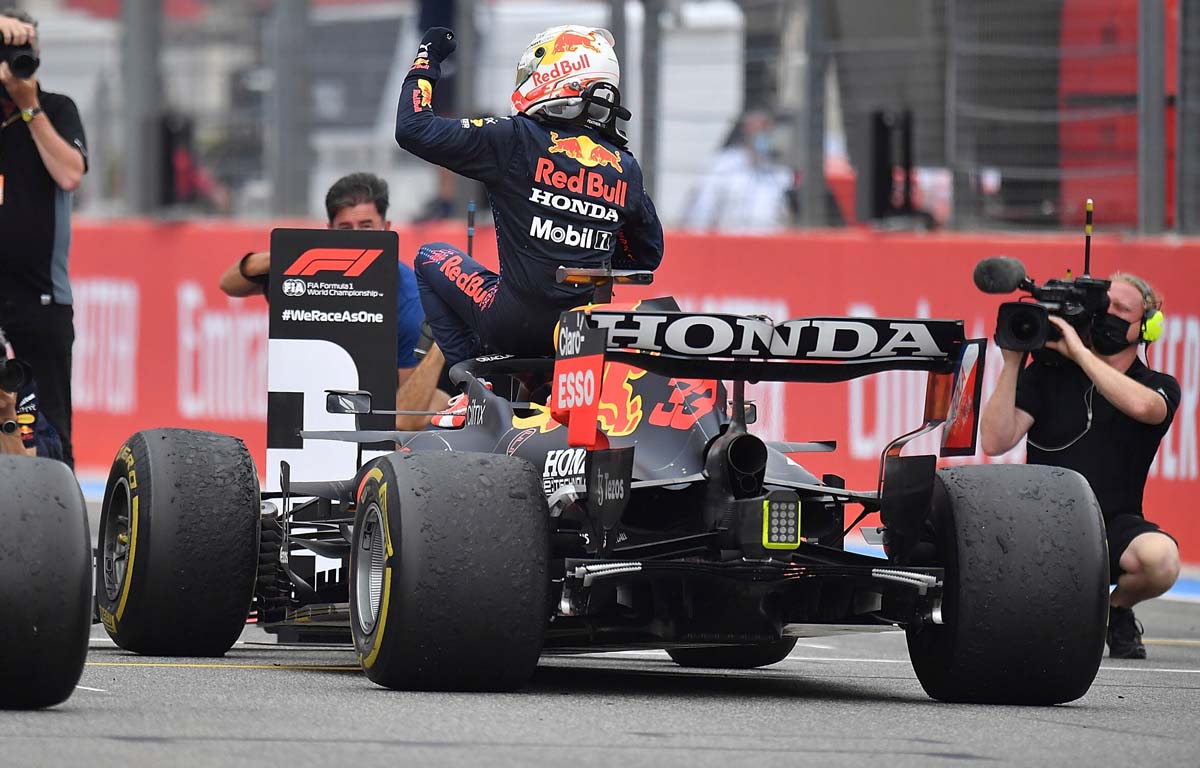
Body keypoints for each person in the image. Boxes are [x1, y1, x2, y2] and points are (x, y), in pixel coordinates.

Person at [395, 25, 664, 374]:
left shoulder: (514, 139)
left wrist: (426, 59)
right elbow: (646, 255)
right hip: (582, 335)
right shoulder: (624, 165)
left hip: (510, 325)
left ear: (556, 74)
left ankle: (471, 379)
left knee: (430, 256)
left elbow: (413, 128)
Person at [979, 273, 1182, 659]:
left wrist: (1081, 354)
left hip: (1113, 524)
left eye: (1122, 310)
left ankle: (1115, 610)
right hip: (1040, 520)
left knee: (1161, 560)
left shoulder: (1157, 384)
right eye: (1105, 307)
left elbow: (1145, 409)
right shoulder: (1048, 375)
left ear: (1146, 328)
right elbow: (995, 440)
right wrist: (1012, 364)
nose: (1110, 315)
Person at [218, 172, 448, 430]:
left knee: (440, 403)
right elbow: (229, 283)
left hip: (385, 419)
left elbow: (405, 419)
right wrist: (288, 254)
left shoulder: (406, 299)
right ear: (328, 232)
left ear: (387, 228)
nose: (356, 239)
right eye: (345, 230)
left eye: (366, 227)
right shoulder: (308, 269)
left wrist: (438, 351)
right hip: (312, 415)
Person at [0, 9, 87, 468]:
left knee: (48, 425)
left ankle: (56, 528)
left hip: (41, 297)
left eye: (23, 52)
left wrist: (28, 105)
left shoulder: (55, 109)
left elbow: (70, 174)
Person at [682, 110, 794, 233]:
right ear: (745, 128)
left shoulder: (781, 173)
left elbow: (787, 220)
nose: (761, 131)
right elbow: (700, 216)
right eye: (756, 126)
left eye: (765, 125)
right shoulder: (721, 166)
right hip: (728, 246)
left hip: (769, 247)